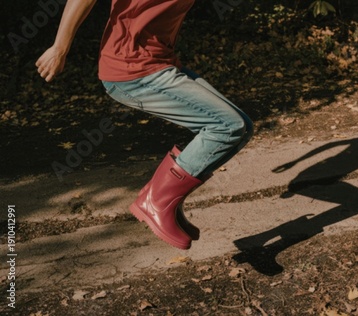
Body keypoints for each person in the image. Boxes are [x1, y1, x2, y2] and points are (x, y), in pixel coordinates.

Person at [36, 0, 253, 250]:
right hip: (133, 70)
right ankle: (158, 200)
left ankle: (165, 198)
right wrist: (60, 47)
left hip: (159, 62)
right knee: (226, 126)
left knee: (242, 127)